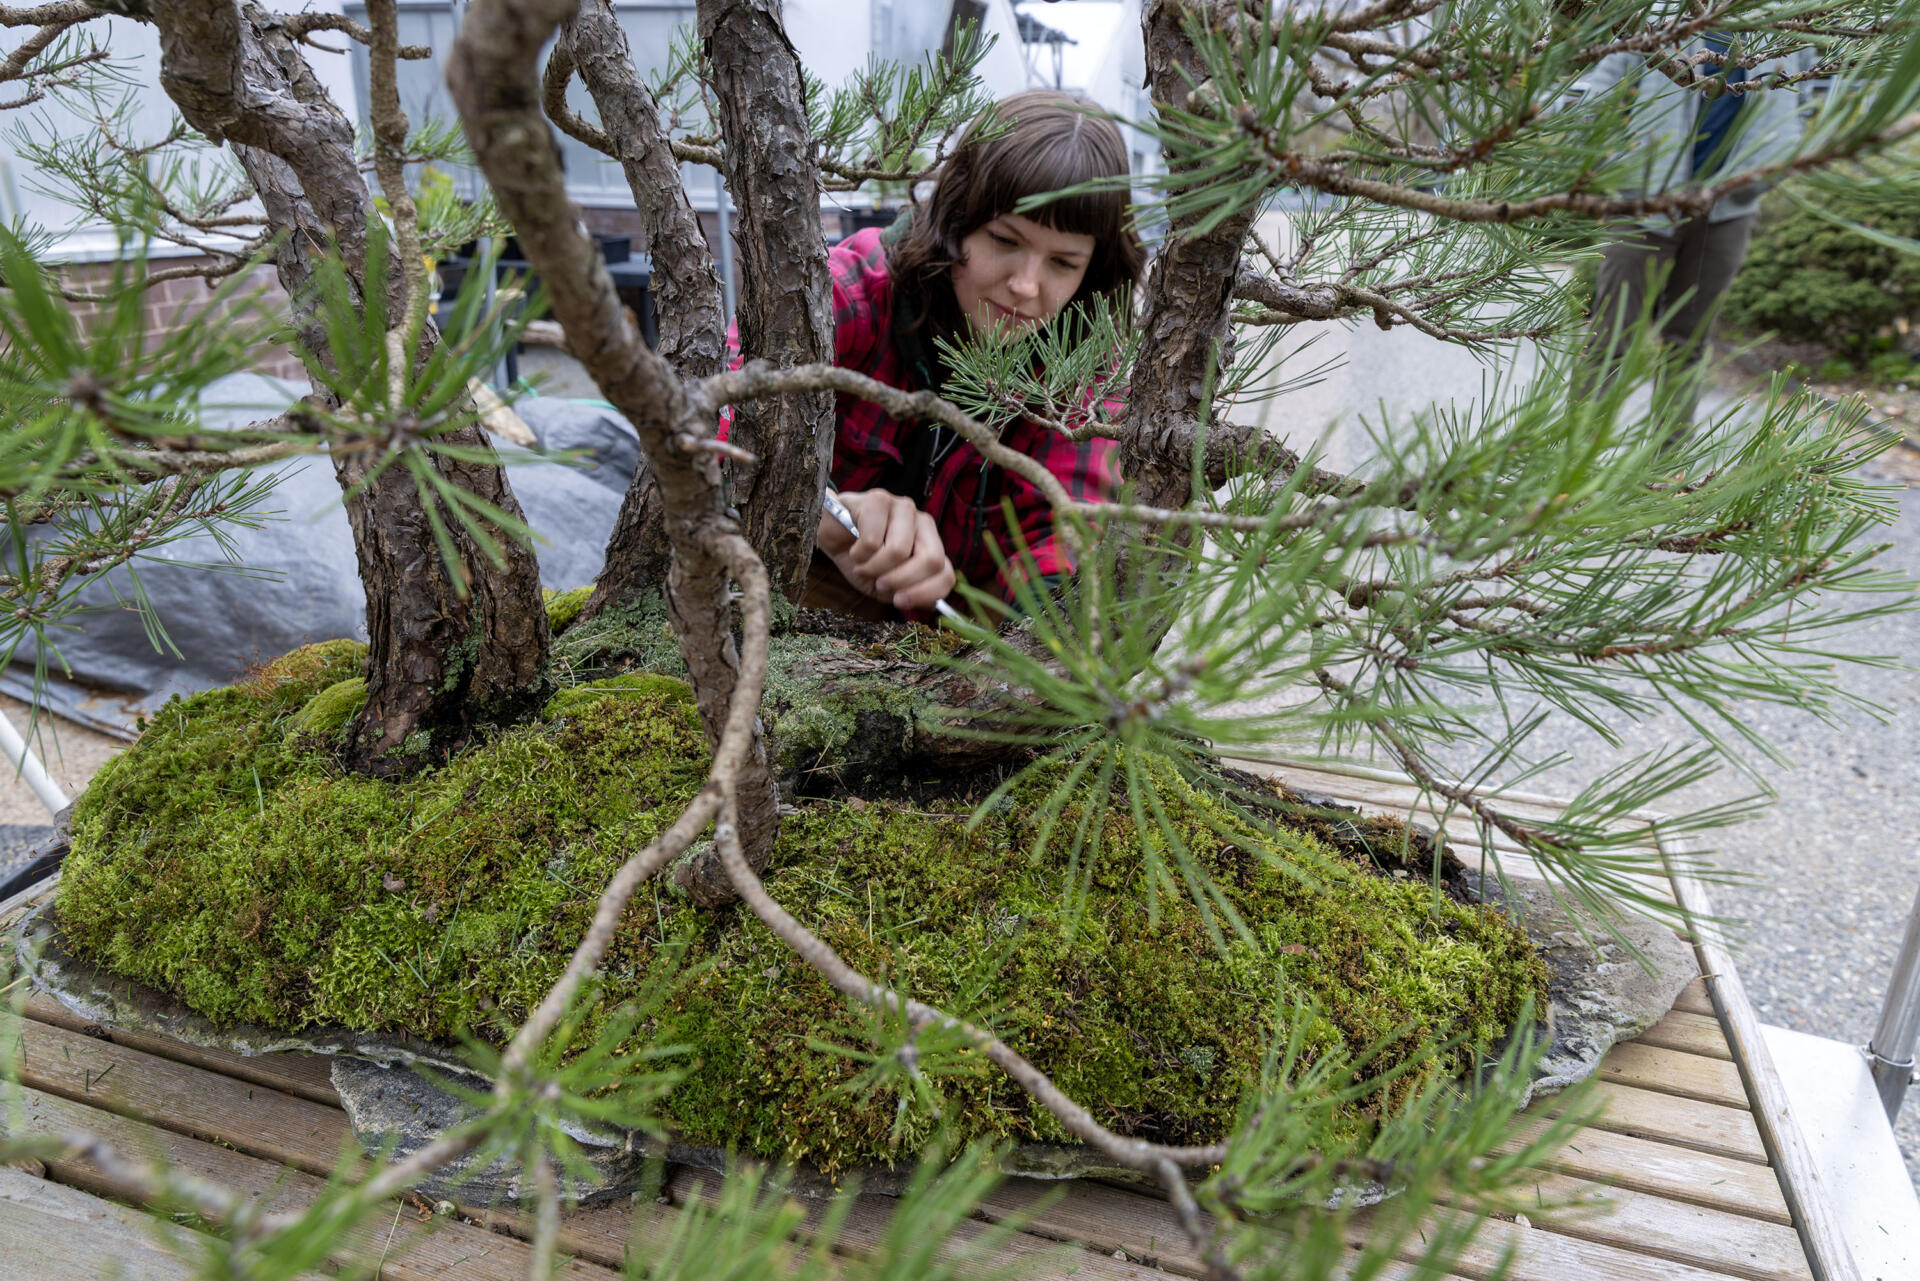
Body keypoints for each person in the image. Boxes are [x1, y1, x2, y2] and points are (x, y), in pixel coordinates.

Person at [731, 89, 1145, 621]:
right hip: (797, 598)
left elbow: (1064, 529)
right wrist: (820, 514)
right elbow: (720, 410)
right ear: (956, 215)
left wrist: (1049, 638)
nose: (1024, 285)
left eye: (1063, 263)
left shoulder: (1087, 377)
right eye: (1004, 239)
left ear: (1094, 269)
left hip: (962, 642)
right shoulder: (848, 294)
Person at [1575, 36, 1822, 423]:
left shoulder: (1783, 26)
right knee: (1610, 334)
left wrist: (1775, 162)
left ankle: (1663, 473)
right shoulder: (1661, 14)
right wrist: (1617, 165)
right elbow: (1597, 93)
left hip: (1729, 206)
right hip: (1643, 200)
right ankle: (1566, 461)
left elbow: (1803, 99)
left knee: (1687, 344)